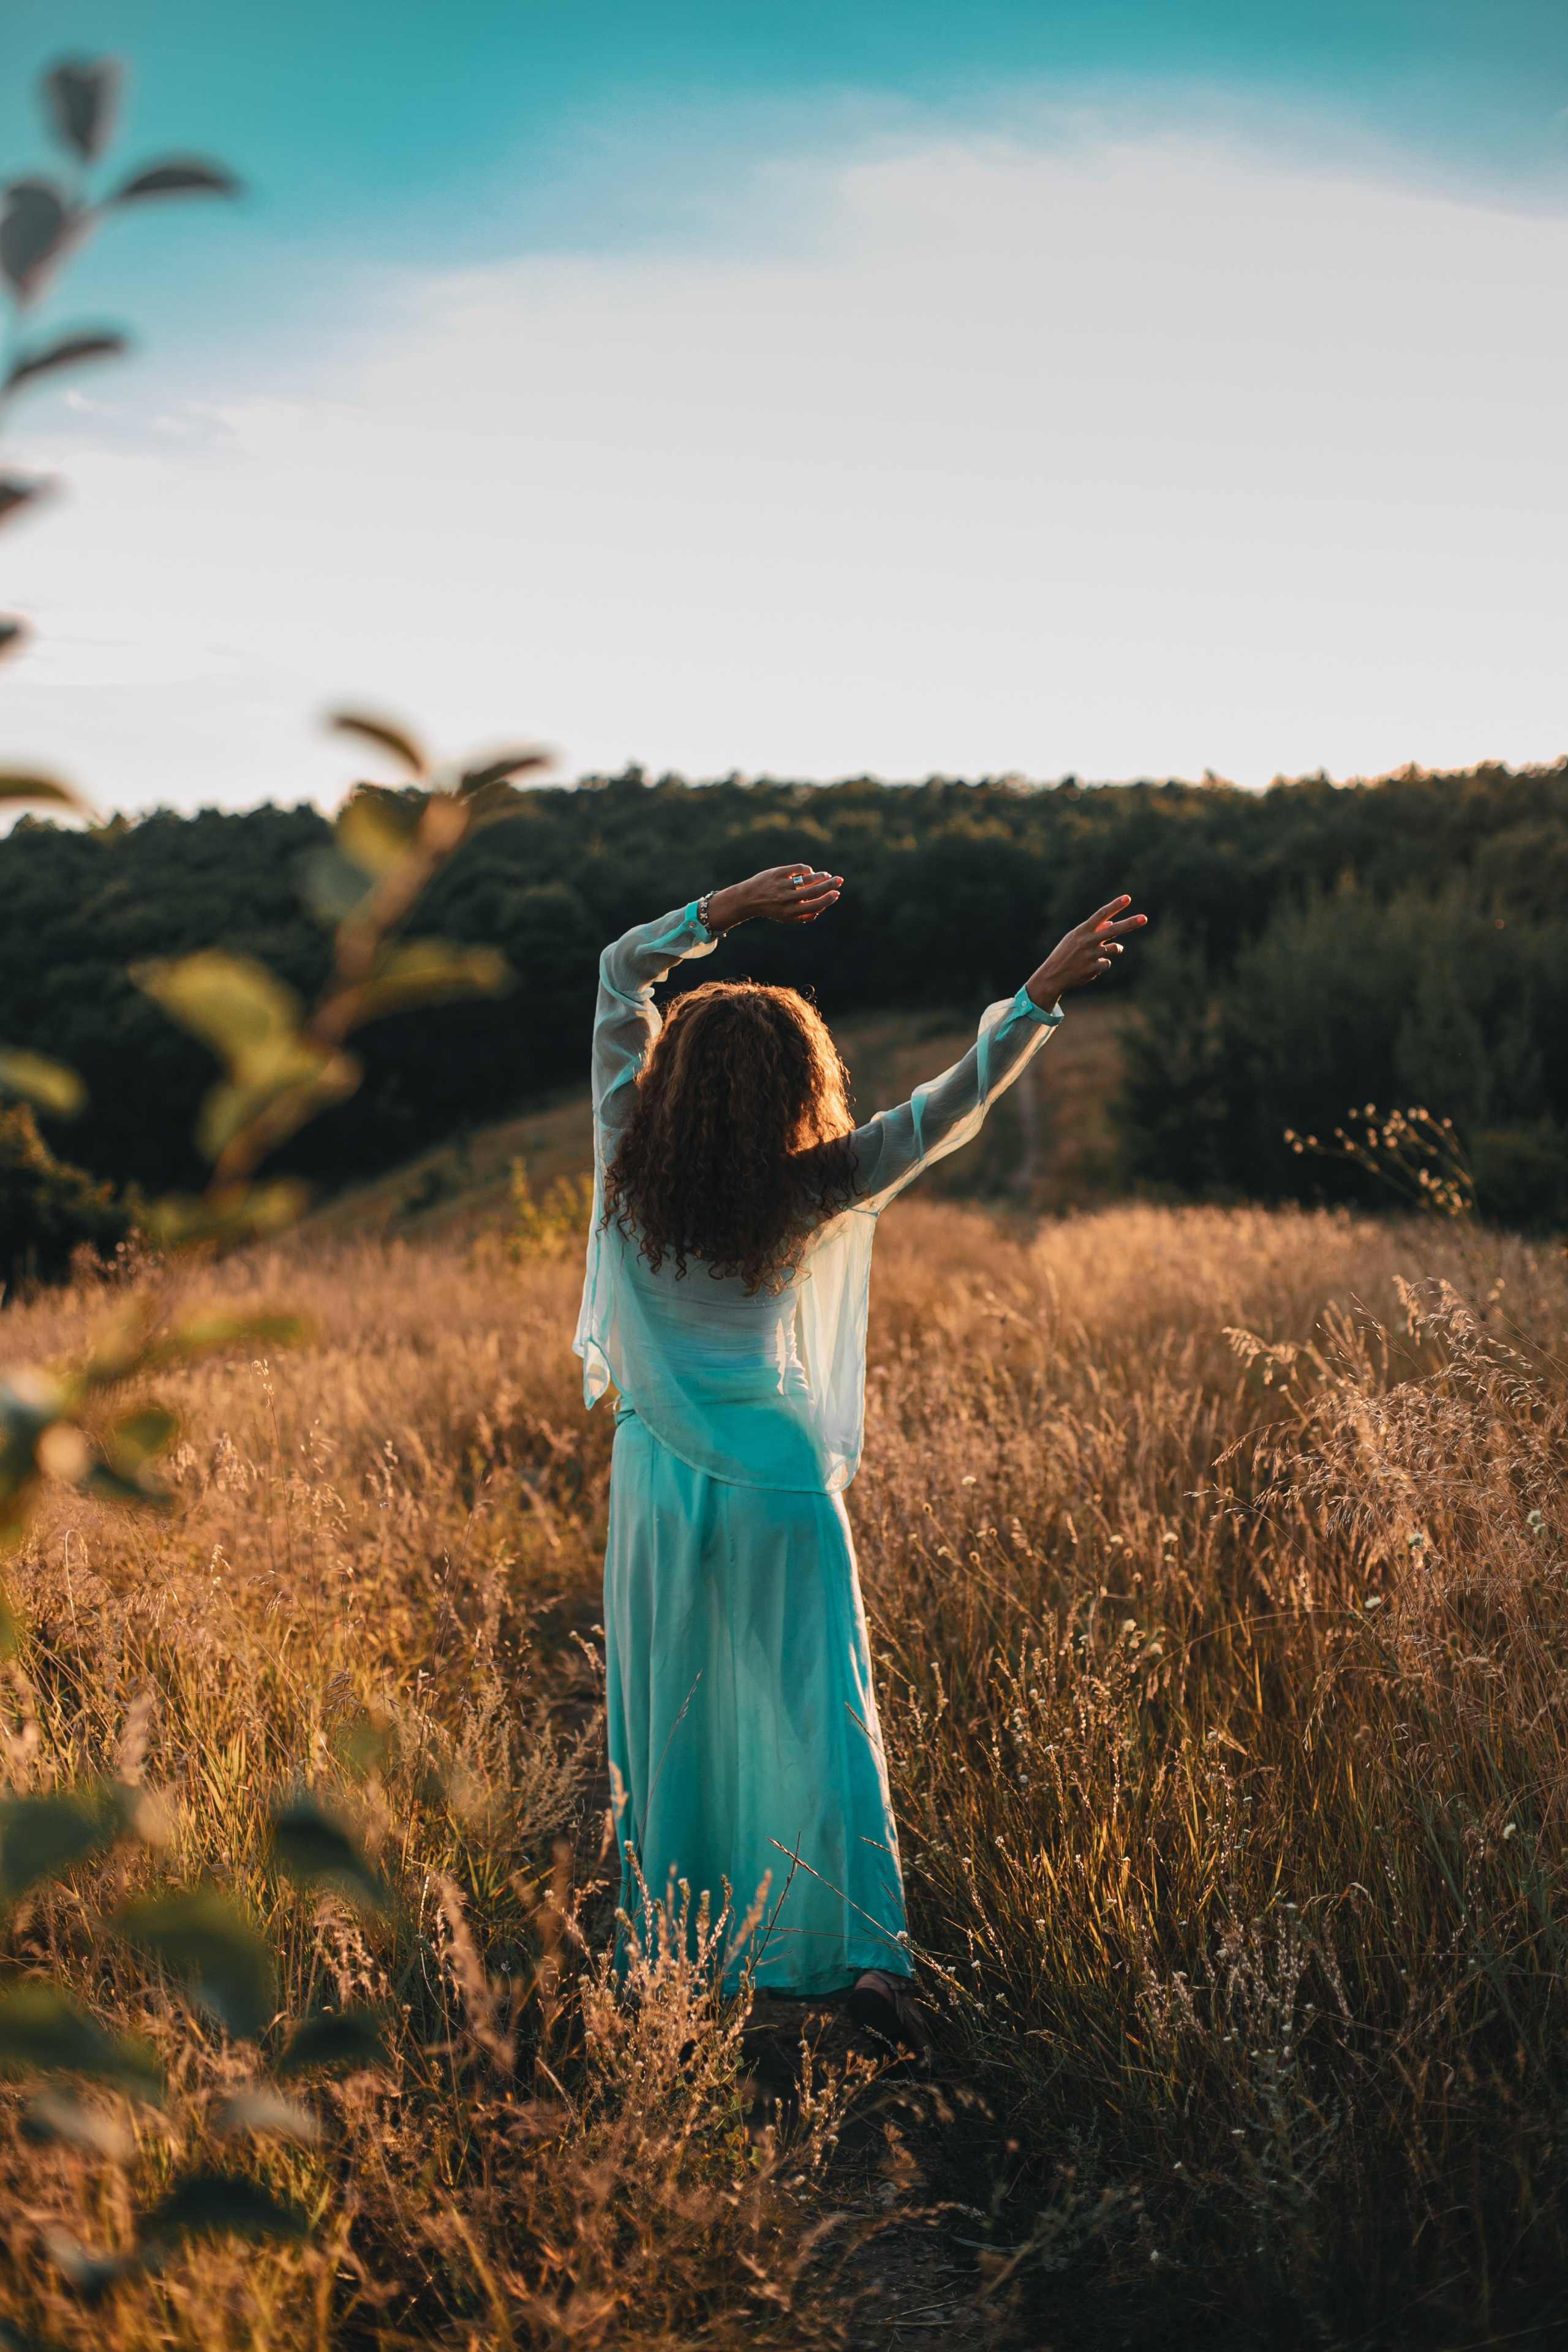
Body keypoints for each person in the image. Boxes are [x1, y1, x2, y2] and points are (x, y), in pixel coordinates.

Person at [575, 865, 1145, 2053]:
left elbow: (619, 970)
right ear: (798, 1088)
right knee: (818, 1722)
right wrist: (1033, 997)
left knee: (666, 1728)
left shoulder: (626, 1159)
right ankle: (863, 1972)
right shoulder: (813, 1183)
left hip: (660, 1489)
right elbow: (945, 1110)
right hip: (780, 1481)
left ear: (671, 1083)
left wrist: (724, 911)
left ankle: (677, 1968)